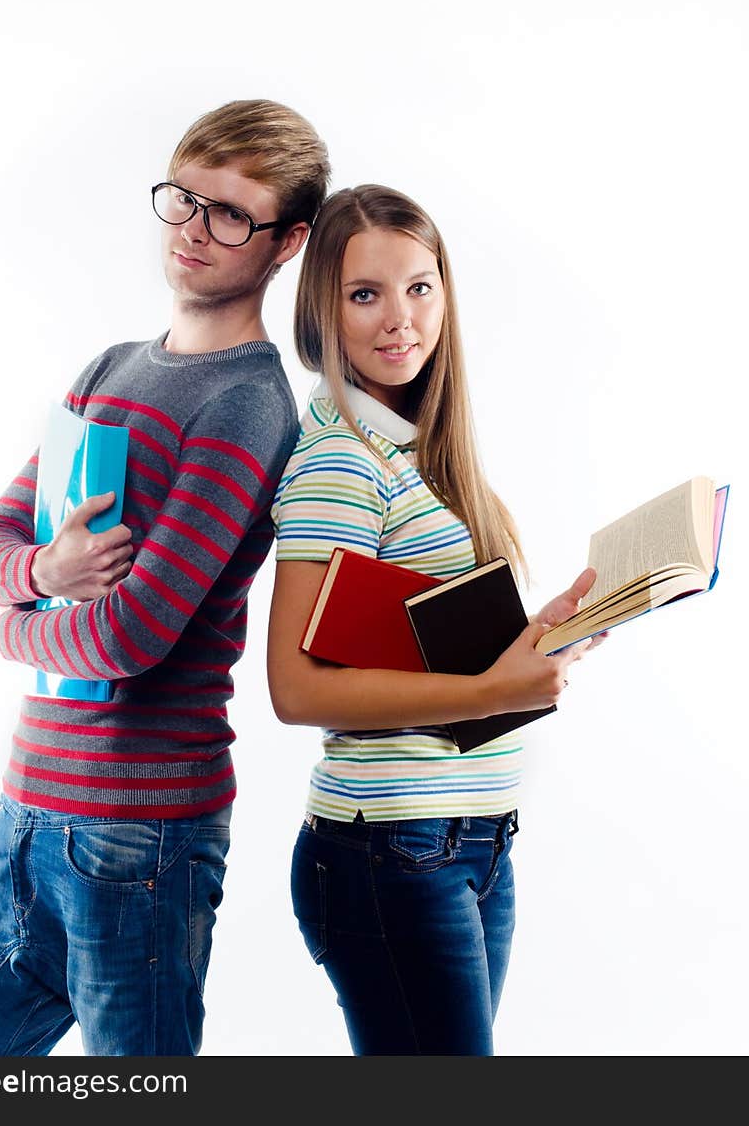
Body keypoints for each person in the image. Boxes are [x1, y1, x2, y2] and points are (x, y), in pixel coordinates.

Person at [0, 99, 330, 1057]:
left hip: (142, 835)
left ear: (288, 242)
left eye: (232, 214)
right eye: (185, 199)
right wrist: (43, 568)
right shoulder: (110, 366)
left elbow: (130, 637)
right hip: (25, 806)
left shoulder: (247, 406)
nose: (193, 230)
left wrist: (12, 626)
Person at [267, 184, 605, 1056]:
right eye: (365, 294)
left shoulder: (420, 447)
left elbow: (411, 642)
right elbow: (297, 689)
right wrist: (490, 688)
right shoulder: (343, 460)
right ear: (323, 311)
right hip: (393, 852)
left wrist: (548, 632)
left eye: (420, 286)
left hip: (470, 843)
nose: (399, 319)